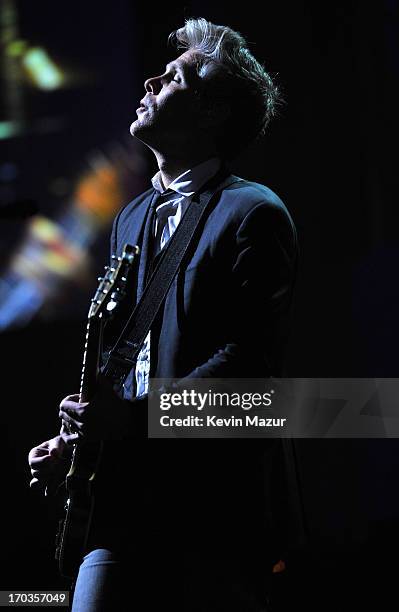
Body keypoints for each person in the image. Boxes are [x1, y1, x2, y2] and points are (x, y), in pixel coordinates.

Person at [28, 17, 298, 611]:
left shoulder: (254, 213)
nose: (152, 78)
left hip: (215, 509)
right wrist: (79, 443)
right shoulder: (132, 218)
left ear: (211, 113)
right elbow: (133, 362)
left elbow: (249, 372)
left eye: (175, 76)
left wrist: (129, 420)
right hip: (124, 501)